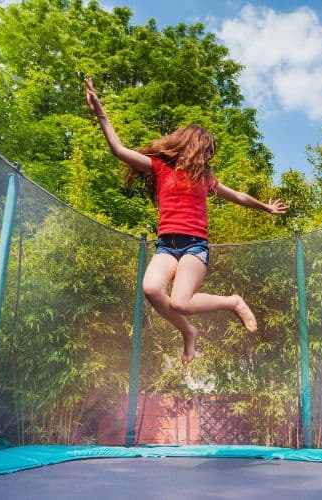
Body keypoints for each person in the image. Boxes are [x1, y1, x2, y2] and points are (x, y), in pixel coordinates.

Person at [84, 78, 287, 363]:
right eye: (206, 151)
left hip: (194, 246)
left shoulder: (206, 178)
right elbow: (119, 150)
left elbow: (238, 196)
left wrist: (265, 207)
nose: (208, 157)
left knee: (181, 301)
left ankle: (233, 302)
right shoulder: (160, 167)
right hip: (166, 245)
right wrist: (101, 115)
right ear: (191, 146)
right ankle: (188, 332)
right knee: (151, 289)